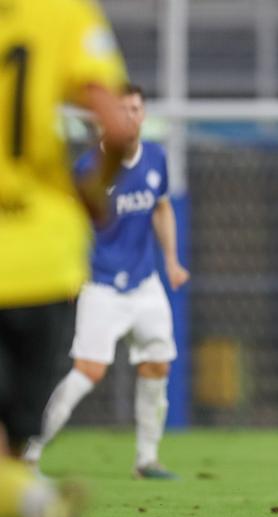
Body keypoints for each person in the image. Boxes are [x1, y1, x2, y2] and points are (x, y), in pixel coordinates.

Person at [0, 0, 130, 517]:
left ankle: (33, 503)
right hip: (46, 259)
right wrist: (90, 192)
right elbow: (120, 125)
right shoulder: (61, 13)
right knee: (11, 438)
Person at [24, 84, 189, 479]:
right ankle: (28, 452)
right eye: (122, 110)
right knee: (89, 371)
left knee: (157, 364)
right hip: (100, 284)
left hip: (145, 283)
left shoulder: (156, 157)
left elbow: (162, 207)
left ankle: (146, 459)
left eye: (135, 109)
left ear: (144, 115)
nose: (129, 116)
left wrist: (171, 260)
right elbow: (71, 227)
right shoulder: (88, 168)